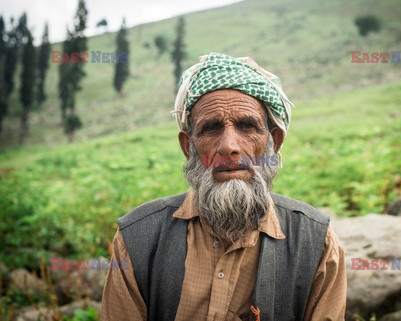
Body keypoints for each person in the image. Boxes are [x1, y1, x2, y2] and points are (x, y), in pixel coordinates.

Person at [101, 52, 346, 321]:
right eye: (211, 128)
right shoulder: (138, 238)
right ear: (188, 146)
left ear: (272, 142)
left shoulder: (316, 243)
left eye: (246, 126)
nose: (229, 146)